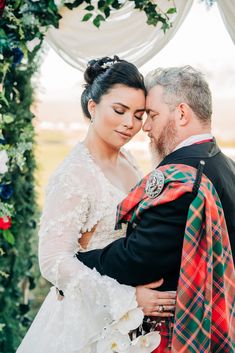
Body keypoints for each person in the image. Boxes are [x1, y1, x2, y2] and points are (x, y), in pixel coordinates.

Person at [16, 57, 176, 353]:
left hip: (127, 325)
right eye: (119, 110)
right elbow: (52, 260)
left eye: (139, 114)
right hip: (86, 321)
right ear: (92, 107)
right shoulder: (74, 175)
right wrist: (127, 298)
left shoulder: (128, 161)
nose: (130, 123)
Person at [77, 66, 235, 352]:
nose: (145, 127)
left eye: (152, 115)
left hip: (176, 335)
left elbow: (139, 258)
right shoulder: (225, 166)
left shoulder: (182, 178)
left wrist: (81, 261)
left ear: (182, 114)